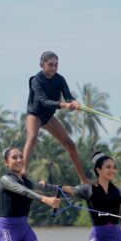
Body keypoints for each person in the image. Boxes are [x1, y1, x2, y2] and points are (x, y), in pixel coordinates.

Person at [23, 50, 87, 184]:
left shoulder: (60, 79)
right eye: (50, 64)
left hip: (48, 117)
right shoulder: (36, 80)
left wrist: (73, 101)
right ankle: (23, 171)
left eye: (56, 65)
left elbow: (68, 95)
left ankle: (83, 180)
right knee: (32, 137)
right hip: (35, 115)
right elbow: (43, 100)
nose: (53, 67)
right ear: (42, 65)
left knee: (69, 143)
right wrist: (63, 105)